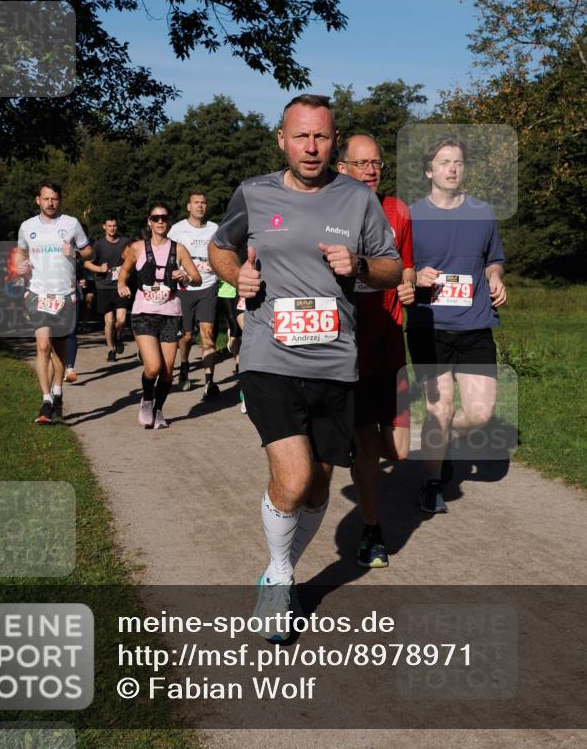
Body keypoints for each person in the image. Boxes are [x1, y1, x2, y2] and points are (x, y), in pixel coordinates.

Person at [209, 94, 402, 641]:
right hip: (269, 357)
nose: (311, 147)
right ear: (282, 140)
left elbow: (391, 269)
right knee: (293, 480)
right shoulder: (254, 193)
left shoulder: (358, 199)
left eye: (320, 136)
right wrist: (238, 277)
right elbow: (221, 248)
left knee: (317, 489)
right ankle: (279, 577)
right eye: (300, 136)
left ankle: (280, 572)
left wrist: (359, 264)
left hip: (335, 363)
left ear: (333, 142)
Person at [407, 136, 507, 513]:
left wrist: (495, 277)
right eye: (444, 162)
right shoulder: (411, 216)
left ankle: (440, 442)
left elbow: (494, 259)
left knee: (480, 414)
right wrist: (415, 275)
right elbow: (395, 267)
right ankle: (432, 484)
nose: (452, 168)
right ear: (428, 171)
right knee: (440, 408)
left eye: (459, 162)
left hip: (475, 324)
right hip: (428, 326)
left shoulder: (482, 213)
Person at [336, 134, 416, 568]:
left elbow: (407, 265)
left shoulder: (398, 210)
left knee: (399, 450)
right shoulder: (330, 211)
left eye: (377, 164)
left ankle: (352, 445)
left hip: (390, 340)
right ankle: (372, 530)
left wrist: (408, 284)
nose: (370, 171)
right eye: (361, 163)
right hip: (352, 343)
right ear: (343, 168)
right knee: (367, 448)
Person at [118, 202, 201, 429]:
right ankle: (147, 400)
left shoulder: (179, 249)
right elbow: (124, 270)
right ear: (149, 222)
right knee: (153, 367)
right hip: (144, 312)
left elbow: (197, 279)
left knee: (167, 372)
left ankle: (158, 409)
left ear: (169, 221)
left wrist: (185, 276)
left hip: (170, 314)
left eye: (164, 217)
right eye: (156, 218)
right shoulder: (137, 248)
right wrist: (121, 285)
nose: (160, 221)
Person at [16, 181, 92, 424]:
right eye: (46, 198)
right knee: (42, 346)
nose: (50, 203)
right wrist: (20, 266)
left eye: (54, 199)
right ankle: (46, 400)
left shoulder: (71, 223)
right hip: (38, 293)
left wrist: (76, 253)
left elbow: (89, 252)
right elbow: (21, 254)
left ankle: (58, 391)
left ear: (60, 200)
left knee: (59, 348)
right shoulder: (27, 226)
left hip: (64, 294)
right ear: (38, 200)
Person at [168, 193, 221, 399]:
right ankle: (184, 366)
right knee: (187, 336)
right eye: (196, 203)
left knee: (207, 333)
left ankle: (209, 381)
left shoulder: (215, 229)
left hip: (208, 287)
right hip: (185, 289)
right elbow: (168, 254)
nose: (200, 206)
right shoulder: (177, 229)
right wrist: (175, 274)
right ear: (188, 207)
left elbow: (223, 254)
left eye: (203, 202)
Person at [85, 216, 130, 362]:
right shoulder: (99, 245)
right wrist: (99, 268)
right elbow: (87, 263)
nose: (112, 228)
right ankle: (111, 350)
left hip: (120, 285)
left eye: (114, 225)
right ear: (104, 227)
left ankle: (118, 336)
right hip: (104, 286)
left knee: (121, 320)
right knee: (109, 321)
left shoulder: (125, 242)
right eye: (109, 226)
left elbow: (132, 259)